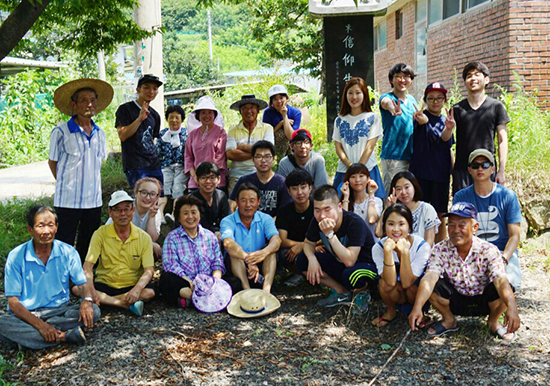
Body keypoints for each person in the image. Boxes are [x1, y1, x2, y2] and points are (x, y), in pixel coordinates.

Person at [409, 203, 520, 340]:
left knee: (504, 287)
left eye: (462, 225)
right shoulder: (440, 249)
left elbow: (500, 280)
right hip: (456, 300)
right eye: (451, 225)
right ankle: (449, 320)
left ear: (475, 228)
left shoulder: (488, 250)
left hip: (483, 301)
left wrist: (512, 307)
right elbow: (430, 277)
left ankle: (493, 322)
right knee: (431, 284)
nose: (456, 230)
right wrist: (417, 307)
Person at [0, 206, 100, 349]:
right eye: (40, 226)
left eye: (50, 225)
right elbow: (13, 302)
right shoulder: (16, 256)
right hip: (27, 314)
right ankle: (63, 336)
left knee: (94, 311)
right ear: (30, 229)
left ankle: (29, 340)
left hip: (59, 311)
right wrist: (40, 325)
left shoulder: (68, 252)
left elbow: (83, 285)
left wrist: (86, 301)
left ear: (57, 227)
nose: (46, 231)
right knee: (2, 322)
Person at [48, 78, 113, 262]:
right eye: (84, 100)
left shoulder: (100, 134)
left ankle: (83, 281)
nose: (89, 104)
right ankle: (62, 281)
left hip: (93, 201)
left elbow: (98, 163)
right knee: (63, 243)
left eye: (93, 100)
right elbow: (53, 163)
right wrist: (65, 183)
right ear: (74, 104)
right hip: (67, 201)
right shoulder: (60, 132)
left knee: (88, 243)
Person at [295, 185, 377, 315]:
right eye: (317, 210)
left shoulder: (354, 222)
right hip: (340, 263)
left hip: (366, 266)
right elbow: (308, 244)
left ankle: (362, 294)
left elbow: (350, 261)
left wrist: (330, 235)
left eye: (327, 209)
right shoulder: (317, 221)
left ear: (339, 207)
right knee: (301, 260)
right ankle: (341, 292)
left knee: (351, 275)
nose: (322, 216)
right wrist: (312, 259)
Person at [76, 191, 157, 317]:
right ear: (110, 213)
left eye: (126, 209)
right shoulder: (100, 233)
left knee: (149, 292)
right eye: (118, 210)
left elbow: (149, 270)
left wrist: (137, 289)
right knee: (77, 288)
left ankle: (103, 301)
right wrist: (91, 289)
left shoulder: (144, 237)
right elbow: (88, 266)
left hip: (130, 284)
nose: (123, 214)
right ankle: (123, 304)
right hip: (105, 283)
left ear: (133, 211)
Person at [453, 149, 522, 291]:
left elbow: (515, 235)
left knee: (509, 283)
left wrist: (503, 259)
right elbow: (457, 232)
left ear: (492, 169)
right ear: (469, 170)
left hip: (502, 252)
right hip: (472, 253)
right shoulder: (461, 197)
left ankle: (501, 310)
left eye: (485, 165)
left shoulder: (508, 196)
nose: (480, 169)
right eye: (475, 165)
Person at [446, 61, 510, 193]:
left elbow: (502, 139)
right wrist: (448, 128)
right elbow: (446, 140)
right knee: (462, 211)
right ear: (464, 82)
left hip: (487, 168)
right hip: (463, 171)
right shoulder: (457, 109)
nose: (473, 78)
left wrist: (501, 171)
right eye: (469, 76)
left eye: (477, 75)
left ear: (486, 79)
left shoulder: (496, 106)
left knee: (488, 210)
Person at [159, 195, 225, 308]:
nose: (190, 217)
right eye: (185, 213)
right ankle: (201, 299)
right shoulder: (172, 238)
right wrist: (189, 281)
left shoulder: (210, 236)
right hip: (186, 283)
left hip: (208, 282)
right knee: (166, 280)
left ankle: (192, 300)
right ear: (178, 218)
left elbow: (217, 262)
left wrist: (215, 282)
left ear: (199, 215)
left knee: (235, 282)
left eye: (194, 212)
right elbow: (170, 264)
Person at [371, 204, 431, 327]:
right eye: (391, 224)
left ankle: (419, 312)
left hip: (413, 292)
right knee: (383, 284)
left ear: (409, 227)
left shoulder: (422, 247)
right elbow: (390, 282)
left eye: (401, 224)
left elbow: (407, 283)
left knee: (412, 288)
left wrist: (404, 253)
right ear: (384, 226)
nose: (396, 229)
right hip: (396, 291)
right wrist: (388, 252)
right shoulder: (378, 248)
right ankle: (391, 311)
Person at [410, 82, 454, 242]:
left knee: (440, 213)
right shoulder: (419, 117)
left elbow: (446, 141)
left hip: (440, 174)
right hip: (420, 173)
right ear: (425, 100)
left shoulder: (446, 120)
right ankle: (417, 247)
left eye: (439, 98)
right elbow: (419, 125)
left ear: (444, 100)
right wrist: (422, 121)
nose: (435, 101)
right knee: (417, 210)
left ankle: (440, 248)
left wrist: (449, 128)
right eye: (431, 98)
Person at [221, 183, 281, 294]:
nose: (248, 204)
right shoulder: (227, 221)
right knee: (234, 253)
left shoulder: (265, 218)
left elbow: (276, 240)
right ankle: (247, 291)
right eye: (243, 200)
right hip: (238, 264)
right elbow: (228, 243)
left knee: (271, 252)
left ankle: (266, 291)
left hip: (259, 262)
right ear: (237, 202)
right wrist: (248, 259)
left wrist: (263, 253)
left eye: (252, 200)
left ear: (258, 202)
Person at [333, 77, 385, 200]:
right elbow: (338, 147)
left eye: (358, 93)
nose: (354, 97)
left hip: (368, 170)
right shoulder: (339, 120)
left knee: (371, 207)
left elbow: (370, 147)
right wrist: (351, 168)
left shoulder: (372, 118)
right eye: (350, 93)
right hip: (344, 171)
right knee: (342, 206)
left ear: (364, 95)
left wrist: (358, 171)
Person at [115, 74, 164, 189]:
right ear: (138, 90)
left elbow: (152, 140)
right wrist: (139, 119)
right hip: (135, 165)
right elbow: (122, 135)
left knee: (157, 198)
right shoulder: (125, 109)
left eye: (155, 88)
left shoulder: (155, 115)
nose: (151, 91)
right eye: (146, 87)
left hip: (154, 165)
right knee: (142, 200)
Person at [379, 63, 417, 194]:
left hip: (411, 156)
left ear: (411, 80)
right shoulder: (387, 98)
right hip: (393, 157)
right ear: (391, 80)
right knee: (393, 194)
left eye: (406, 76)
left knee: (408, 194)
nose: (402, 80)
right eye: (398, 77)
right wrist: (392, 108)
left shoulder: (412, 100)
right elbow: (386, 104)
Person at [226, 94, 274, 193]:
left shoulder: (267, 128)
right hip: (237, 176)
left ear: (258, 110)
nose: (248, 111)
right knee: (233, 206)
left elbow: (268, 150)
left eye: (252, 107)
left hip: (261, 175)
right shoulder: (233, 130)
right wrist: (258, 154)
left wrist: (242, 146)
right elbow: (230, 154)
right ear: (240, 111)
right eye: (244, 108)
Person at [229, 141, 292, 217]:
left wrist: (268, 225)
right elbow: (231, 204)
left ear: (273, 159)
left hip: (274, 226)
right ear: (253, 160)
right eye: (259, 156)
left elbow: (284, 211)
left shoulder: (282, 183)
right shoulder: (244, 181)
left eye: (267, 156)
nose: (263, 160)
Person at [378, 171, 440, 247]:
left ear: (414, 187)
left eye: (407, 187)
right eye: (398, 189)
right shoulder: (393, 211)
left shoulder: (427, 209)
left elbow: (429, 242)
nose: (403, 192)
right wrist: (389, 208)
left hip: (422, 256)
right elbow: (378, 233)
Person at [276, 169, 315, 287]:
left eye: (303, 187)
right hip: (293, 250)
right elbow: (282, 240)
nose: (300, 192)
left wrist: (303, 246)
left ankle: (318, 277)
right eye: (294, 188)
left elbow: (326, 237)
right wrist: (300, 246)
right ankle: (302, 274)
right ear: (288, 191)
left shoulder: (318, 208)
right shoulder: (284, 211)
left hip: (315, 247)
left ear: (310, 188)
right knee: (284, 255)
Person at [106, 177, 163, 260]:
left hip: (139, 245)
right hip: (119, 243)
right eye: (144, 192)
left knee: (155, 247)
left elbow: (151, 239)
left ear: (157, 197)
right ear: (136, 192)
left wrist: (151, 217)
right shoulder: (126, 206)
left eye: (152, 194)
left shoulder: (155, 211)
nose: (147, 198)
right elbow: (109, 232)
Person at [185, 96, 228, 191]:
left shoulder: (221, 132)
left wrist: (208, 179)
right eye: (203, 112)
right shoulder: (192, 135)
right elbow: (188, 158)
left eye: (210, 112)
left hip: (215, 181)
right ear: (198, 115)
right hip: (195, 181)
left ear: (214, 114)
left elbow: (220, 157)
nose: (206, 116)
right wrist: (196, 176)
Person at [340, 163, 383, 241]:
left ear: (368, 179)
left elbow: (371, 219)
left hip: (371, 247)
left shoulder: (377, 201)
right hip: (352, 247)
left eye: (361, 176)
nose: (357, 180)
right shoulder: (344, 203)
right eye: (353, 177)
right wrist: (346, 197)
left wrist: (371, 195)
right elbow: (343, 225)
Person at [157, 105, 188, 212]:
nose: (174, 120)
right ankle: (160, 215)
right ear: (167, 119)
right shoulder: (162, 134)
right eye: (171, 117)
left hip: (181, 167)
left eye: (177, 117)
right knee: (164, 187)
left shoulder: (186, 133)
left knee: (178, 188)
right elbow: (158, 152)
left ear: (181, 120)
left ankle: (175, 214)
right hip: (166, 166)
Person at [190, 162, 232, 239]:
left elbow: (227, 220)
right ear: (197, 179)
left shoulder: (221, 196)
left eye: (212, 177)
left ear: (219, 179)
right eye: (203, 178)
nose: (208, 181)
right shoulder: (191, 200)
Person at [262, 85, 302, 161]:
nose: (279, 101)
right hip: (273, 142)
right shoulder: (268, 113)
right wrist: (281, 123)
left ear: (286, 98)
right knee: (281, 134)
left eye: (281, 98)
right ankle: (280, 160)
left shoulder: (296, 112)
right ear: (271, 102)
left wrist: (284, 116)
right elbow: (267, 133)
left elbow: (291, 136)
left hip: (291, 143)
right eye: (275, 99)